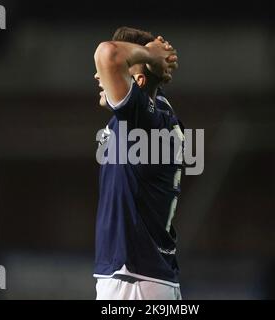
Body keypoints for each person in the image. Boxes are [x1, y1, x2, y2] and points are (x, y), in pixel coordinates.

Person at [93, 26, 183, 300]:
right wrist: (156, 57)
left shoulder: (142, 120)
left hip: (133, 281)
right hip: (148, 279)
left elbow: (107, 53)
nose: (99, 75)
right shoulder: (157, 114)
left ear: (139, 81)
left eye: (122, 71)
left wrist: (149, 55)